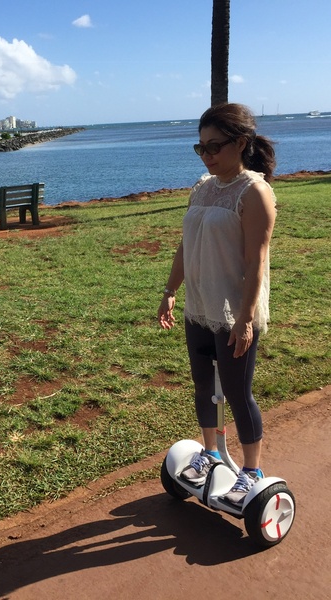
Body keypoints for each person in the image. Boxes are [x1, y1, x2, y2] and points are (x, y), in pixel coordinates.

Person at [157, 103, 277, 507]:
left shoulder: (254, 192)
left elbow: (256, 262)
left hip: (235, 311)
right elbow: (186, 245)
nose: (207, 155)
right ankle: (209, 454)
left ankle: (251, 470)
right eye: (200, 147)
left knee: (239, 393)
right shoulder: (202, 186)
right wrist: (171, 290)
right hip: (200, 306)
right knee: (204, 386)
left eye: (214, 147)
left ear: (241, 143)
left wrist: (244, 319)